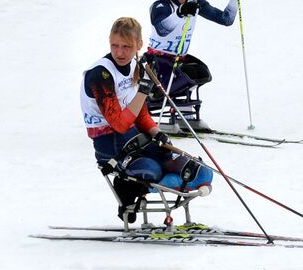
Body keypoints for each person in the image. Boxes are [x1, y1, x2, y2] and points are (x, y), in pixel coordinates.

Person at [81, 17, 212, 222]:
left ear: (139, 45)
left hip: (133, 137)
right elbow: (119, 124)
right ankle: (128, 191)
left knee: (195, 169)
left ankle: (145, 191)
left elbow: (141, 114)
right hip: (109, 143)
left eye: (127, 46)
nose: (120, 52)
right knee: (152, 169)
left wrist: (155, 132)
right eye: (115, 45)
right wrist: (144, 89)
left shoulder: (136, 67)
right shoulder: (101, 75)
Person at [145, 0, 243, 123]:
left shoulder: (194, 1)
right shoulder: (161, 6)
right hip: (157, 62)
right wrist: (180, 13)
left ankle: (183, 107)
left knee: (201, 73)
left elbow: (226, 19)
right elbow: (162, 28)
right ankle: (155, 95)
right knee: (186, 76)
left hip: (179, 60)